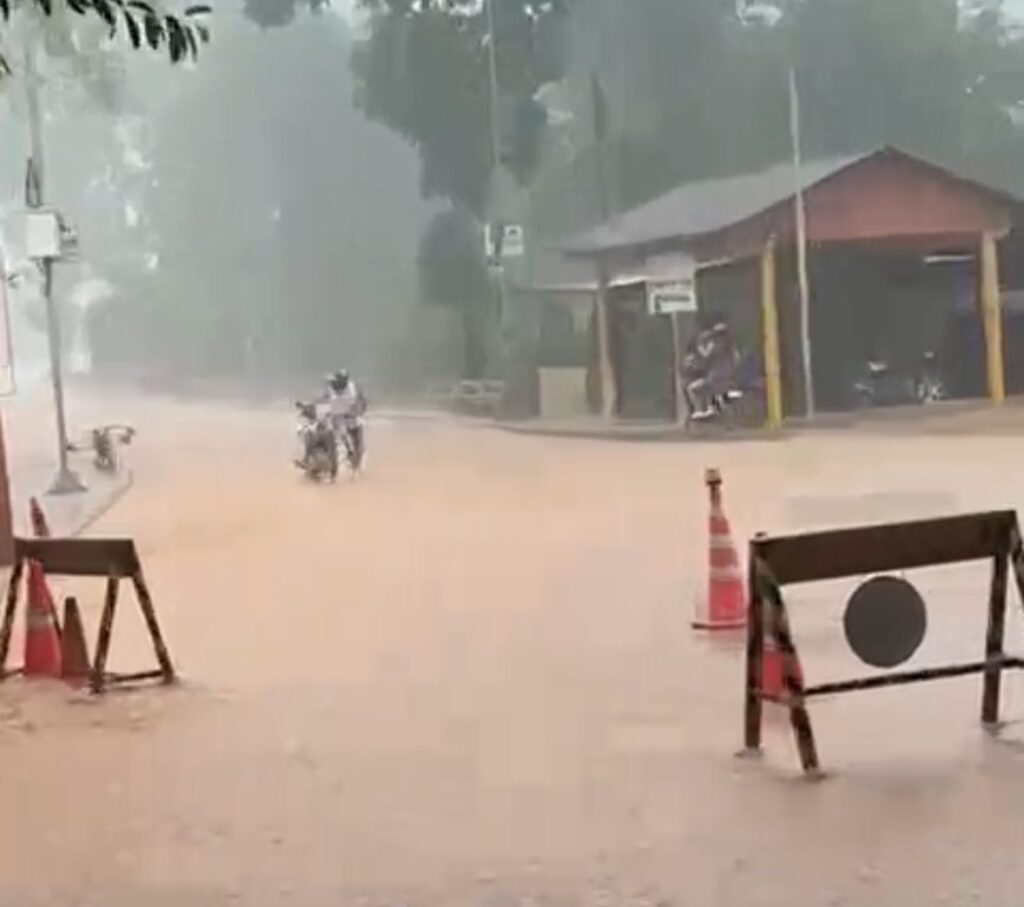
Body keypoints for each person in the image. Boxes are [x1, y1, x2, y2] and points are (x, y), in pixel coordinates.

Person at [320, 370, 367, 468]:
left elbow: (360, 403)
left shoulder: (352, 389)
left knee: (358, 443)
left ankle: (357, 464)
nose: (336, 384)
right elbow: (322, 400)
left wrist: (357, 412)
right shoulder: (331, 387)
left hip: (352, 418)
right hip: (336, 418)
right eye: (335, 382)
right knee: (327, 433)